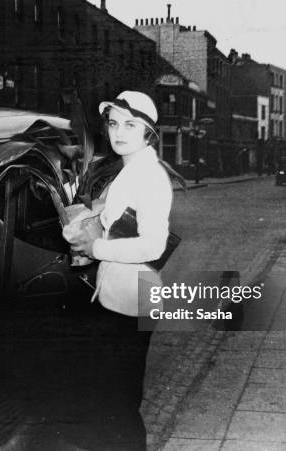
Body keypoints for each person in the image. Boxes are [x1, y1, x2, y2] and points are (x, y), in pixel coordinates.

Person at [63, 91, 173, 450]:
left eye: (130, 124)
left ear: (148, 134)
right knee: (111, 401)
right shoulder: (130, 170)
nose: (119, 132)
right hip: (116, 297)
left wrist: (95, 247)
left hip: (130, 302)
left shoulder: (150, 177)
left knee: (119, 406)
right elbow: (118, 221)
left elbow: (153, 244)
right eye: (113, 123)